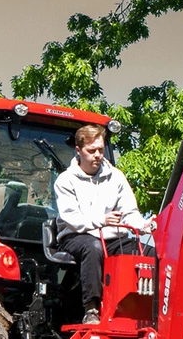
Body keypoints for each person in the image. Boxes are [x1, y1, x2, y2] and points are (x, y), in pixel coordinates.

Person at [52, 123, 152, 324]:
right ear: (79, 151)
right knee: (94, 247)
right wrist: (101, 221)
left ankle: (148, 311)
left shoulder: (116, 177)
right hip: (76, 236)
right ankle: (91, 309)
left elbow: (129, 213)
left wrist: (144, 225)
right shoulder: (65, 181)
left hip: (113, 238)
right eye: (92, 150)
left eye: (100, 149)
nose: (98, 154)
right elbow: (71, 218)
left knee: (150, 253)